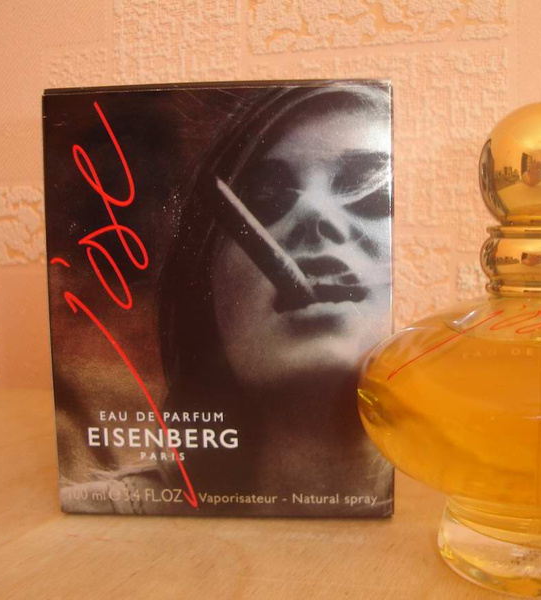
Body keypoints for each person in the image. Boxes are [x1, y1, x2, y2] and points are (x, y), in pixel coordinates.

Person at [63, 84, 394, 515]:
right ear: (209, 293)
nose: (311, 211)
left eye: (370, 192)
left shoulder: (454, 495)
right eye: (263, 199)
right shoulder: (102, 519)